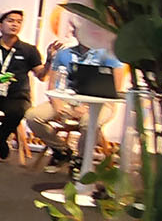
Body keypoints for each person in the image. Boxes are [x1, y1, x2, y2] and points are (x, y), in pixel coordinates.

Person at [25, 29, 123, 172]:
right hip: (67, 100)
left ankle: (81, 160)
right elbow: (52, 85)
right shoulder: (64, 54)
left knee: (89, 122)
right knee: (32, 116)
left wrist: (86, 107)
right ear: (75, 33)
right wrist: (58, 105)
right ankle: (62, 151)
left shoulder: (109, 55)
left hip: (100, 102)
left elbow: (114, 89)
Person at [0, 9, 51, 163]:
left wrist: (49, 61)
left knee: (16, 112)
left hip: (18, 95)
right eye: (11, 21)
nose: (15, 24)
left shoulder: (29, 50)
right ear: (0, 25)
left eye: (19, 22)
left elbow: (41, 76)